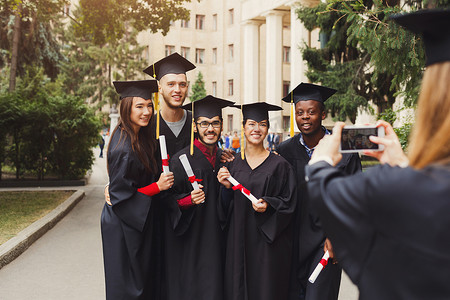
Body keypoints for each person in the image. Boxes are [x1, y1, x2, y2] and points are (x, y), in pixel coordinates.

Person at [305, 9, 450, 300]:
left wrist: (320, 161)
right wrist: (403, 164)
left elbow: (326, 192)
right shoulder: (417, 187)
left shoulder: (395, 190)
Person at [276, 82, 361, 300]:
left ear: (323, 114)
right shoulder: (284, 151)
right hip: (293, 241)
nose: (305, 117)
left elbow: (354, 199)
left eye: (311, 112)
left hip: (326, 242)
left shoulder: (344, 148)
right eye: (300, 112)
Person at [101, 80, 174, 300]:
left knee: (142, 279)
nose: (146, 112)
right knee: (129, 286)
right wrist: (158, 186)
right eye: (139, 106)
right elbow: (123, 197)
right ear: (127, 108)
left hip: (134, 219)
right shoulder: (124, 147)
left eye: (149, 106)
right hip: (123, 222)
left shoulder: (139, 137)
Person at [217, 102, 297, 300]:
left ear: (267, 129)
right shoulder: (233, 166)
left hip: (268, 246)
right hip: (237, 242)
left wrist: (269, 204)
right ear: (243, 127)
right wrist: (226, 189)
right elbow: (222, 211)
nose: (256, 129)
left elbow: (290, 203)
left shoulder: (280, 166)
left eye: (262, 124)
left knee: (266, 290)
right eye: (251, 123)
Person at [161, 95, 235, 300]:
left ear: (221, 126)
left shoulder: (227, 161)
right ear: (195, 127)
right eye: (204, 123)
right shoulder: (180, 161)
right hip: (191, 245)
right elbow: (165, 201)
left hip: (220, 243)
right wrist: (187, 200)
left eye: (215, 123)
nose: (210, 129)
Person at [143, 52, 196, 157]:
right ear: (160, 88)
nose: (177, 90)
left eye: (182, 84)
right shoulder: (148, 127)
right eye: (171, 84)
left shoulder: (197, 123)